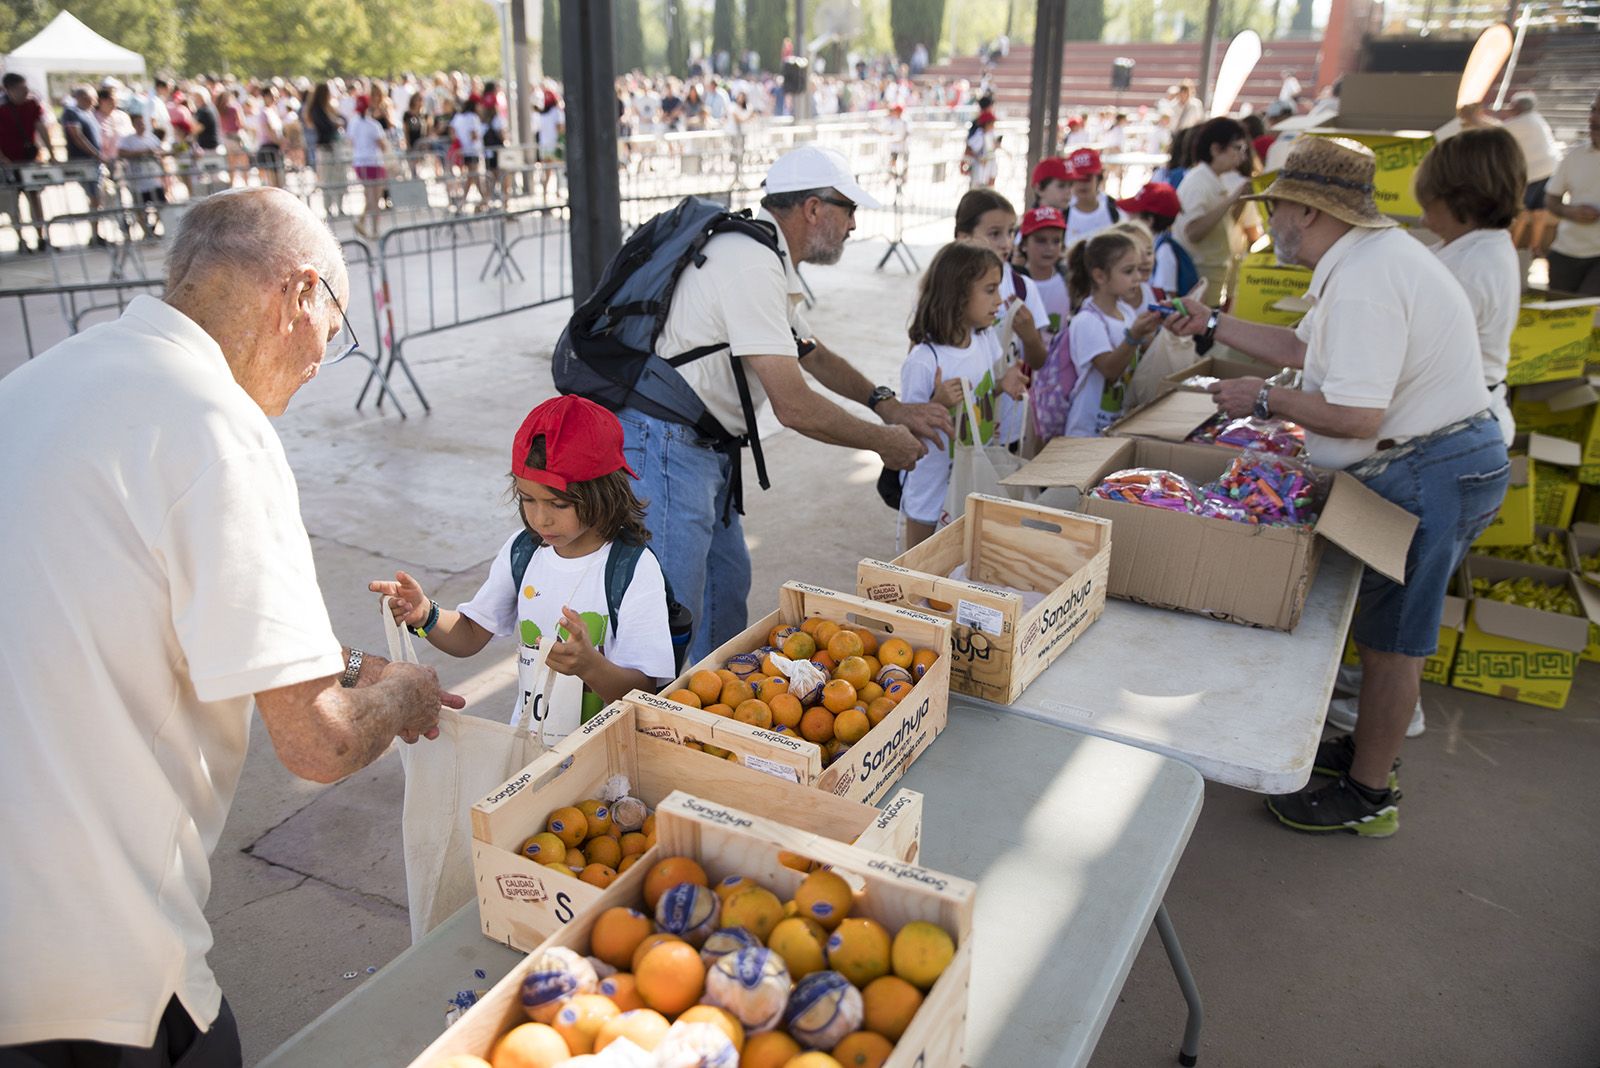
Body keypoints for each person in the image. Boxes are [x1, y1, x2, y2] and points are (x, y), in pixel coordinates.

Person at [0, 187, 461, 1064]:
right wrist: (402, 695)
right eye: (337, 331)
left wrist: (347, 663)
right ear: (299, 295)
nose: (326, 362)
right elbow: (316, 744)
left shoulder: (44, 383)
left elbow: (121, 611)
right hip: (88, 959)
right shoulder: (217, 428)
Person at [1165, 137, 1508, 837]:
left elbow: (1357, 414)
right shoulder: (1365, 261)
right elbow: (1303, 351)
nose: (1272, 221)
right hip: (1434, 458)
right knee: (1386, 630)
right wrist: (1212, 324)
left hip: (1430, 467)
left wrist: (1262, 401)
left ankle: (1369, 793)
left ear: (1309, 212)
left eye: (1279, 206)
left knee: (1393, 639)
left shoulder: (1365, 280)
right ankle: (1364, 754)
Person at [608, 147, 949, 661]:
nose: (854, 225)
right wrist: (883, 443)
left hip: (699, 447)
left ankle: (709, 712)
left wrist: (888, 406)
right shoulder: (749, 261)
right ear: (813, 209)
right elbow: (794, 406)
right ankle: (655, 727)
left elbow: (809, 352)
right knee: (668, 616)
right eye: (848, 209)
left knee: (725, 591)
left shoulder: (760, 252)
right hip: (667, 445)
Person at [372, 396, 675, 741]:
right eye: (527, 499)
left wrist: (590, 665)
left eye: (558, 504)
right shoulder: (524, 551)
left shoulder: (632, 569)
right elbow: (470, 634)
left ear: (603, 493)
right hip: (530, 748)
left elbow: (643, 692)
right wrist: (425, 614)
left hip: (606, 754)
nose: (540, 518)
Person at [897, 242, 1023, 547]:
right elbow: (904, 430)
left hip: (973, 476)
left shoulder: (986, 341)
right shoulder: (925, 359)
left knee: (963, 558)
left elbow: (981, 396)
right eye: (990, 290)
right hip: (932, 483)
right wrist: (936, 404)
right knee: (920, 564)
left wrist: (1001, 385)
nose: (999, 300)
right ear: (958, 294)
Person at [954, 188, 1049, 445]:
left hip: (1008, 422)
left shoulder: (1023, 288)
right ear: (964, 236)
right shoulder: (945, 288)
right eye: (995, 233)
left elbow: (1038, 360)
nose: (1007, 243)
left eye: (1011, 232)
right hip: (958, 422)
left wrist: (1029, 336)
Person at [1062, 231, 1165, 437]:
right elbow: (1109, 369)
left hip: (1115, 425)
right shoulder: (1087, 321)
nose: (1137, 277)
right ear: (1099, 276)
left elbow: (1145, 349)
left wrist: (1159, 327)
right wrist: (1134, 336)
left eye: (1137, 269)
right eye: (1128, 271)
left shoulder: (1125, 311)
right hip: (1087, 431)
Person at [1173, 117, 1252, 305]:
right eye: (1237, 148)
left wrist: (1240, 201)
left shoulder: (1216, 178)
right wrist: (1232, 199)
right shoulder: (1198, 182)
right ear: (1216, 149)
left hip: (1212, 277)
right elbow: (1193, 232)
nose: (1242, 156)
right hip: (1198, 278)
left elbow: (1228, 222)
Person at [1543, 91, 1600, 296]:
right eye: (1593, 110)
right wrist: (1570, 212)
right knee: (1559, 321)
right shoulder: (1574, 155)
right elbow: (1551, 198)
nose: (1594, 118)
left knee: (1589, 317)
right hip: (1565, 254)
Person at [1115, 181, 1195, 299]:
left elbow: (1167, 297)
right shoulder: (1156, 245)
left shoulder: (1164, 251)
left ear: (1149, 220)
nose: (1128, 217)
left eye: (1134, 213)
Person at [0, 73, 51, 253]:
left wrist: (50, 151)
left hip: (29, 160)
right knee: (13, 203)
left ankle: (41, 236)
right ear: (9, 89)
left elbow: (40, 127)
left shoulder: (32, 104)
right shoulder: (2, 108)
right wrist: (2, 158)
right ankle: (20, 239)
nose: (25, 92)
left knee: (35, 198)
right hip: (8, 164)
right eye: (21, 89)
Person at [1502, 92, 1559, 251]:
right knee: (1539, 212)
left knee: (1523, 211)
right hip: (1548, 169)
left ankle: (1514, 246)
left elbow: (1498, 131)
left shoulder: (1522, 122)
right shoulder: (1536, 119)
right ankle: (1535, 247)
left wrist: (1476, 119)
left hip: (1534, 172)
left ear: (1518, 107)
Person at [1018, 206, 1070, 341]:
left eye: (1056, 241)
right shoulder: (1015, 282)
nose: (1050, 248)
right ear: (1024, 244)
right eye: (1041, 240)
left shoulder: (1069, 280)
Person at [117, 111, 167, 239]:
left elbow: (161, 152)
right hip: (138, 180)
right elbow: (121, 152)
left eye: (143, 123)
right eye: (138, 123)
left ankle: (155, 228)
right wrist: (141, 153)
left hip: (153, 178)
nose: (141, 125)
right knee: (140, 207)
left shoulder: (152, 138)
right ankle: (146, 232)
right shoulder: (127, 139)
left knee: (161, 205)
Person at [1060, 147, 1121, 245]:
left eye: (1088, 178)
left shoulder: (1115, 210)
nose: (1082, 184)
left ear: (1098, 177)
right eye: (1077, 178)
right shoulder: (1061, 212)